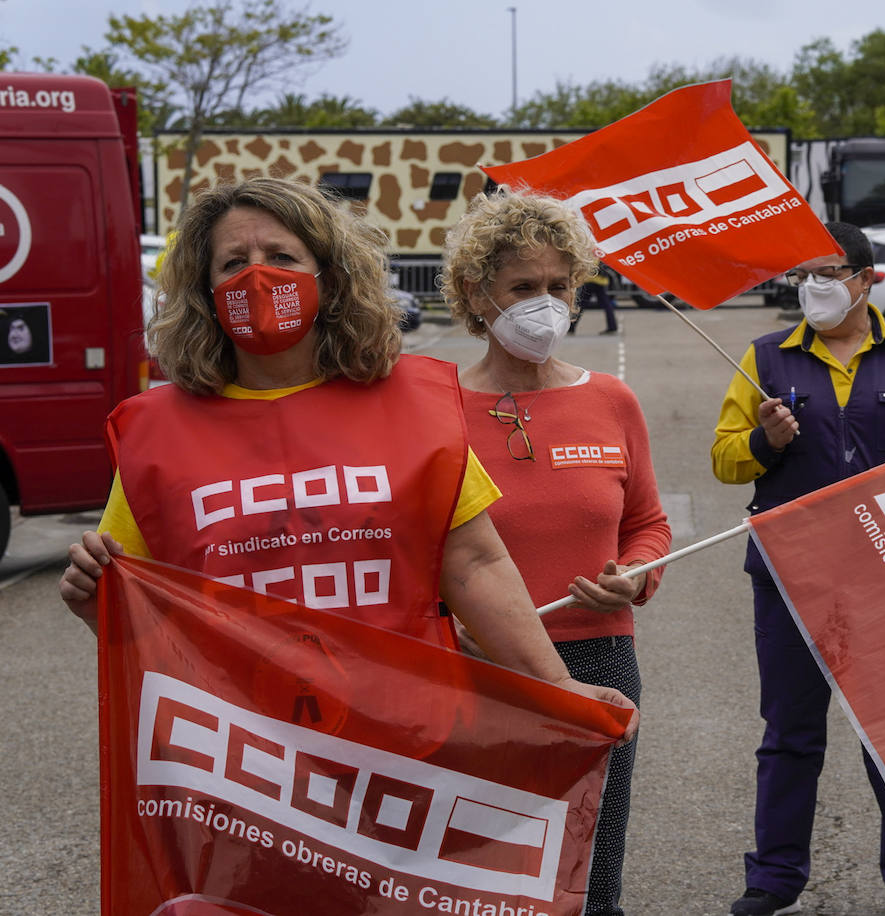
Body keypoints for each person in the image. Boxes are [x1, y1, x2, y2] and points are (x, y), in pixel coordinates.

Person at [57, 176, 637, 724]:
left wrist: (557, 687)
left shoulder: (415, 408)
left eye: (282, 257)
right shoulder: (158, 434)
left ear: (330, 278)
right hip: (245, 751)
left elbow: (476, 565)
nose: (258, 278)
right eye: (234, 263)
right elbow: (146, 607)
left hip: (400, 735)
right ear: (206, 294)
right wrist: (98, 610)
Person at [711, 222, 885, 916]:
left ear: (865, 279)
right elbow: (724, 458)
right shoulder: (764, 358)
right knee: (790, 734)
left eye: (829, 273)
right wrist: (764, 442)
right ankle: (774, 876)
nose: (814, 287)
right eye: (804, 275)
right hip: (791, 581)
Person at [440, 189, 672, 916]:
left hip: (599, 661)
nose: (546, 304)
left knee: (590, 875)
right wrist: (447, 626)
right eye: (523, 288)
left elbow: (650, 524)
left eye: (559, 286)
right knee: (480, 879)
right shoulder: (432, 406)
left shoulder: (612, 401)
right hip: (474, 666)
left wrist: (637, 576)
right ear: (477, 294)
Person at [572, 264, 618, 335]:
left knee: (581, 304)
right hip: (600, 280)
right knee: (606, 304)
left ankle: (571, 327)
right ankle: (612, 326)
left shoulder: (592, 253)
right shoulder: (601, 253)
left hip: (591, 280)